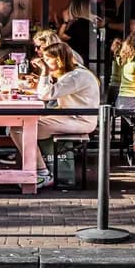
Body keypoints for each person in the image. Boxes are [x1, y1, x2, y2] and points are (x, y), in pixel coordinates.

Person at [13, 42, 100, 189]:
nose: (44, 62)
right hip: (72, 116)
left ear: (58, 59)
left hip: (79, 120)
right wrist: (39, 83)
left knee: (19, 129)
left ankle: (42, 173)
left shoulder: (75, 76)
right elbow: (50, 92)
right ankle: (37, 170)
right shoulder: (74, 73)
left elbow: (46, 94)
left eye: (47, 59)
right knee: (19, 127)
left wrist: (45, 72)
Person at [57, 0, 98, 65]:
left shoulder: (80, 23)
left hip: (80, 61)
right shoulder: (89, 23)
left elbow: (61, 37)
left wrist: (65, 22)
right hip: (88, 60)